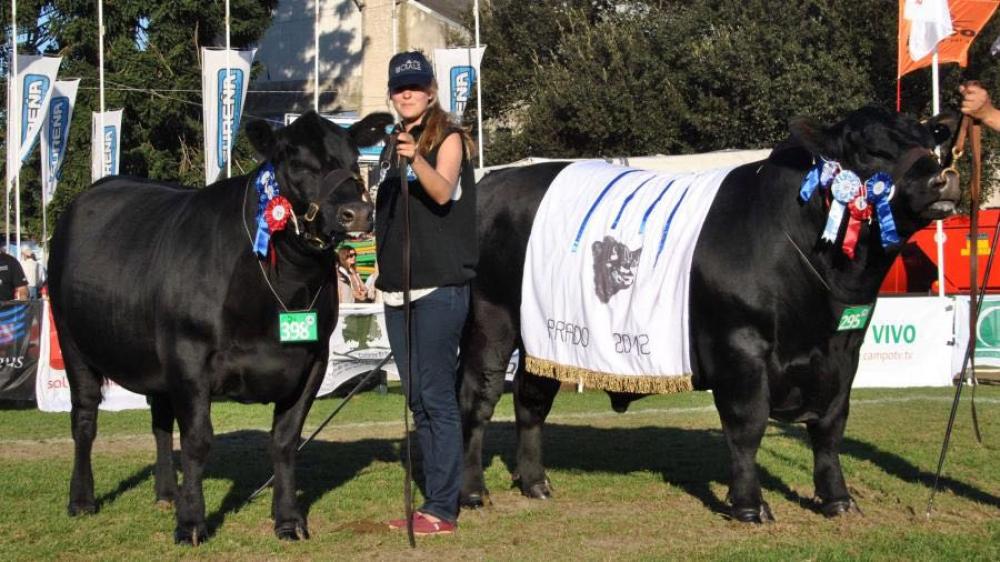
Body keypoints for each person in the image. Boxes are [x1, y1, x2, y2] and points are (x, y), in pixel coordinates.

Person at [376, 51, 477, 536]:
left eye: (415, 86)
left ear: (432, 91)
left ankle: (442, 506)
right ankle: (435, 498)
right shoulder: (386, 148)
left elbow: (441, 192)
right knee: (416, 398)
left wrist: (415, 157)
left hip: (438, 288)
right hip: (396, 291)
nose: (407, 93)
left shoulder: (449, 139)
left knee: (437, 397)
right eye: (400, 88)